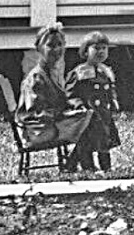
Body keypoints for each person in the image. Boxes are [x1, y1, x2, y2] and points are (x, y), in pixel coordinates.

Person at [16, 23, 91, 170]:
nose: (56, 50)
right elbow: (34, 113)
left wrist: (73, 106)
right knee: (91, 120)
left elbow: (58, 100)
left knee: (91, 116)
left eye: (60, 45)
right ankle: (80, 164)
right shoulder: (36, 77)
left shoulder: (52, 72)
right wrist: (62, 114)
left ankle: (77, 163)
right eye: (50, 45)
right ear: (39, 48)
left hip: (49, 124)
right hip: (38, 130)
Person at [66, 30, 121, 172]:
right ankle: (87, 167)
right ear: (85, 51)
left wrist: (113, 100)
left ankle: (106, 167)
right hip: (88, 114)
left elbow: (110, 89)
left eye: (104, 48)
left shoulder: (106, 71)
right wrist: (78, 104)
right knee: (86, 141)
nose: (100, 52)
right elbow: (70, 93)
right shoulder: (80, 72)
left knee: (104, 140)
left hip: (103, 113)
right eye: (96, 48)